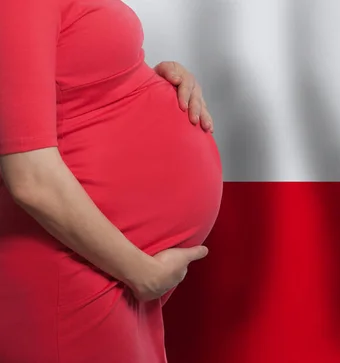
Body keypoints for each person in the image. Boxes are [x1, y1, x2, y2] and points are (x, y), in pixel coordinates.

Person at [0, 0, 223, 362]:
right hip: (77, 269)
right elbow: (30, 176)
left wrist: (141, 79)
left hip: (107, 267)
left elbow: (64, 86)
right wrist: (142, 273)